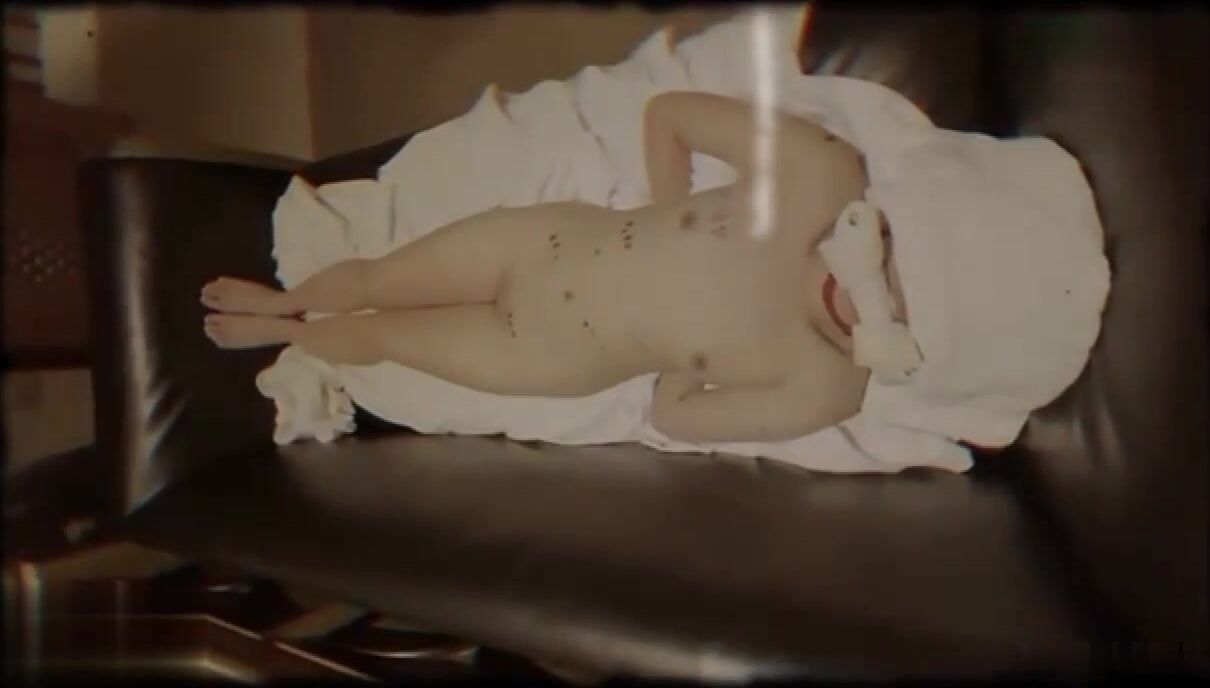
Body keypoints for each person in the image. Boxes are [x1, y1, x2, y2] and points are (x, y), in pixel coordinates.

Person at [201, 91, 909, 445]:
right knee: (376, 279)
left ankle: (288, 335)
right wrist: (670, 216)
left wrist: (684, 357)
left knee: (382, 335)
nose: (876, 299)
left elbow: (674, 418)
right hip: (548, 245)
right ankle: (283, 301)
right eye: (899, 271)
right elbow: (670, 113)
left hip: (552, 353)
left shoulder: (826, 387)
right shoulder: (822, 179)